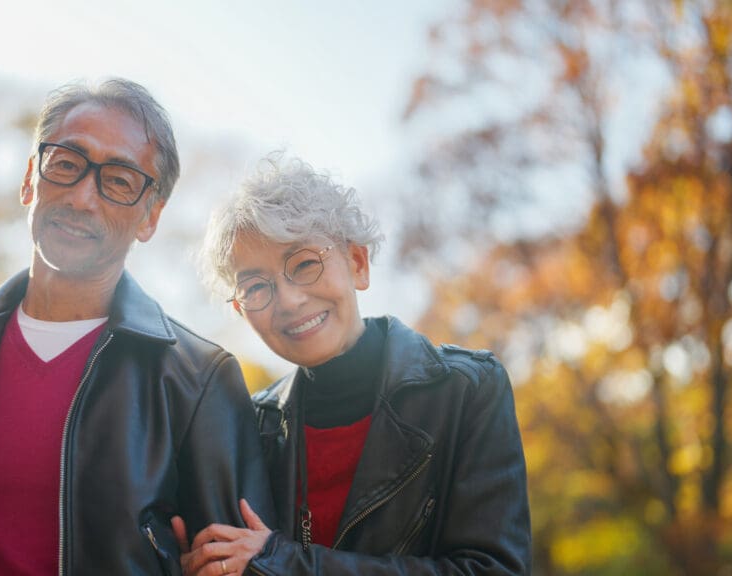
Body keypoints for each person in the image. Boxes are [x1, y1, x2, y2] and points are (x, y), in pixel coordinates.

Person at [0, 78, 275, 576]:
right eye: (66, 163)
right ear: (29, 180)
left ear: (150, 217)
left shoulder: (198, 381)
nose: (83, 197)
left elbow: (238, 563)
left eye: (120, 181)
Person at [175, 154, 531, 575]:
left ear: (357, 263)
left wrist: (283, 563)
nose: (289, 301)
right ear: (241, 308)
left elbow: (494, 570)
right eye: (256, 286)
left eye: (305, 263)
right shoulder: (250, 426)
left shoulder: (467, 390)